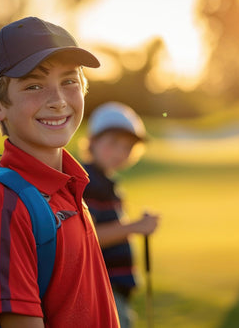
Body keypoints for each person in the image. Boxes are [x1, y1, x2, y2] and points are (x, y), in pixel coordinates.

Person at [0, 16, 120, 328]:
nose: (58, 101)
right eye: (34, 85)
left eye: (69, 81)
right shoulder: (6, 206)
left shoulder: (72, 184)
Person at [81, 102, 160, 328]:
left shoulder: (106, 182)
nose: (119, 152)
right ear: (93, 141)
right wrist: (135, 227)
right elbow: (88, 235)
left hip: (113, 290)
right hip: (101, 290)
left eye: (127, 147)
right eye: (113, 143)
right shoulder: (89, 182)